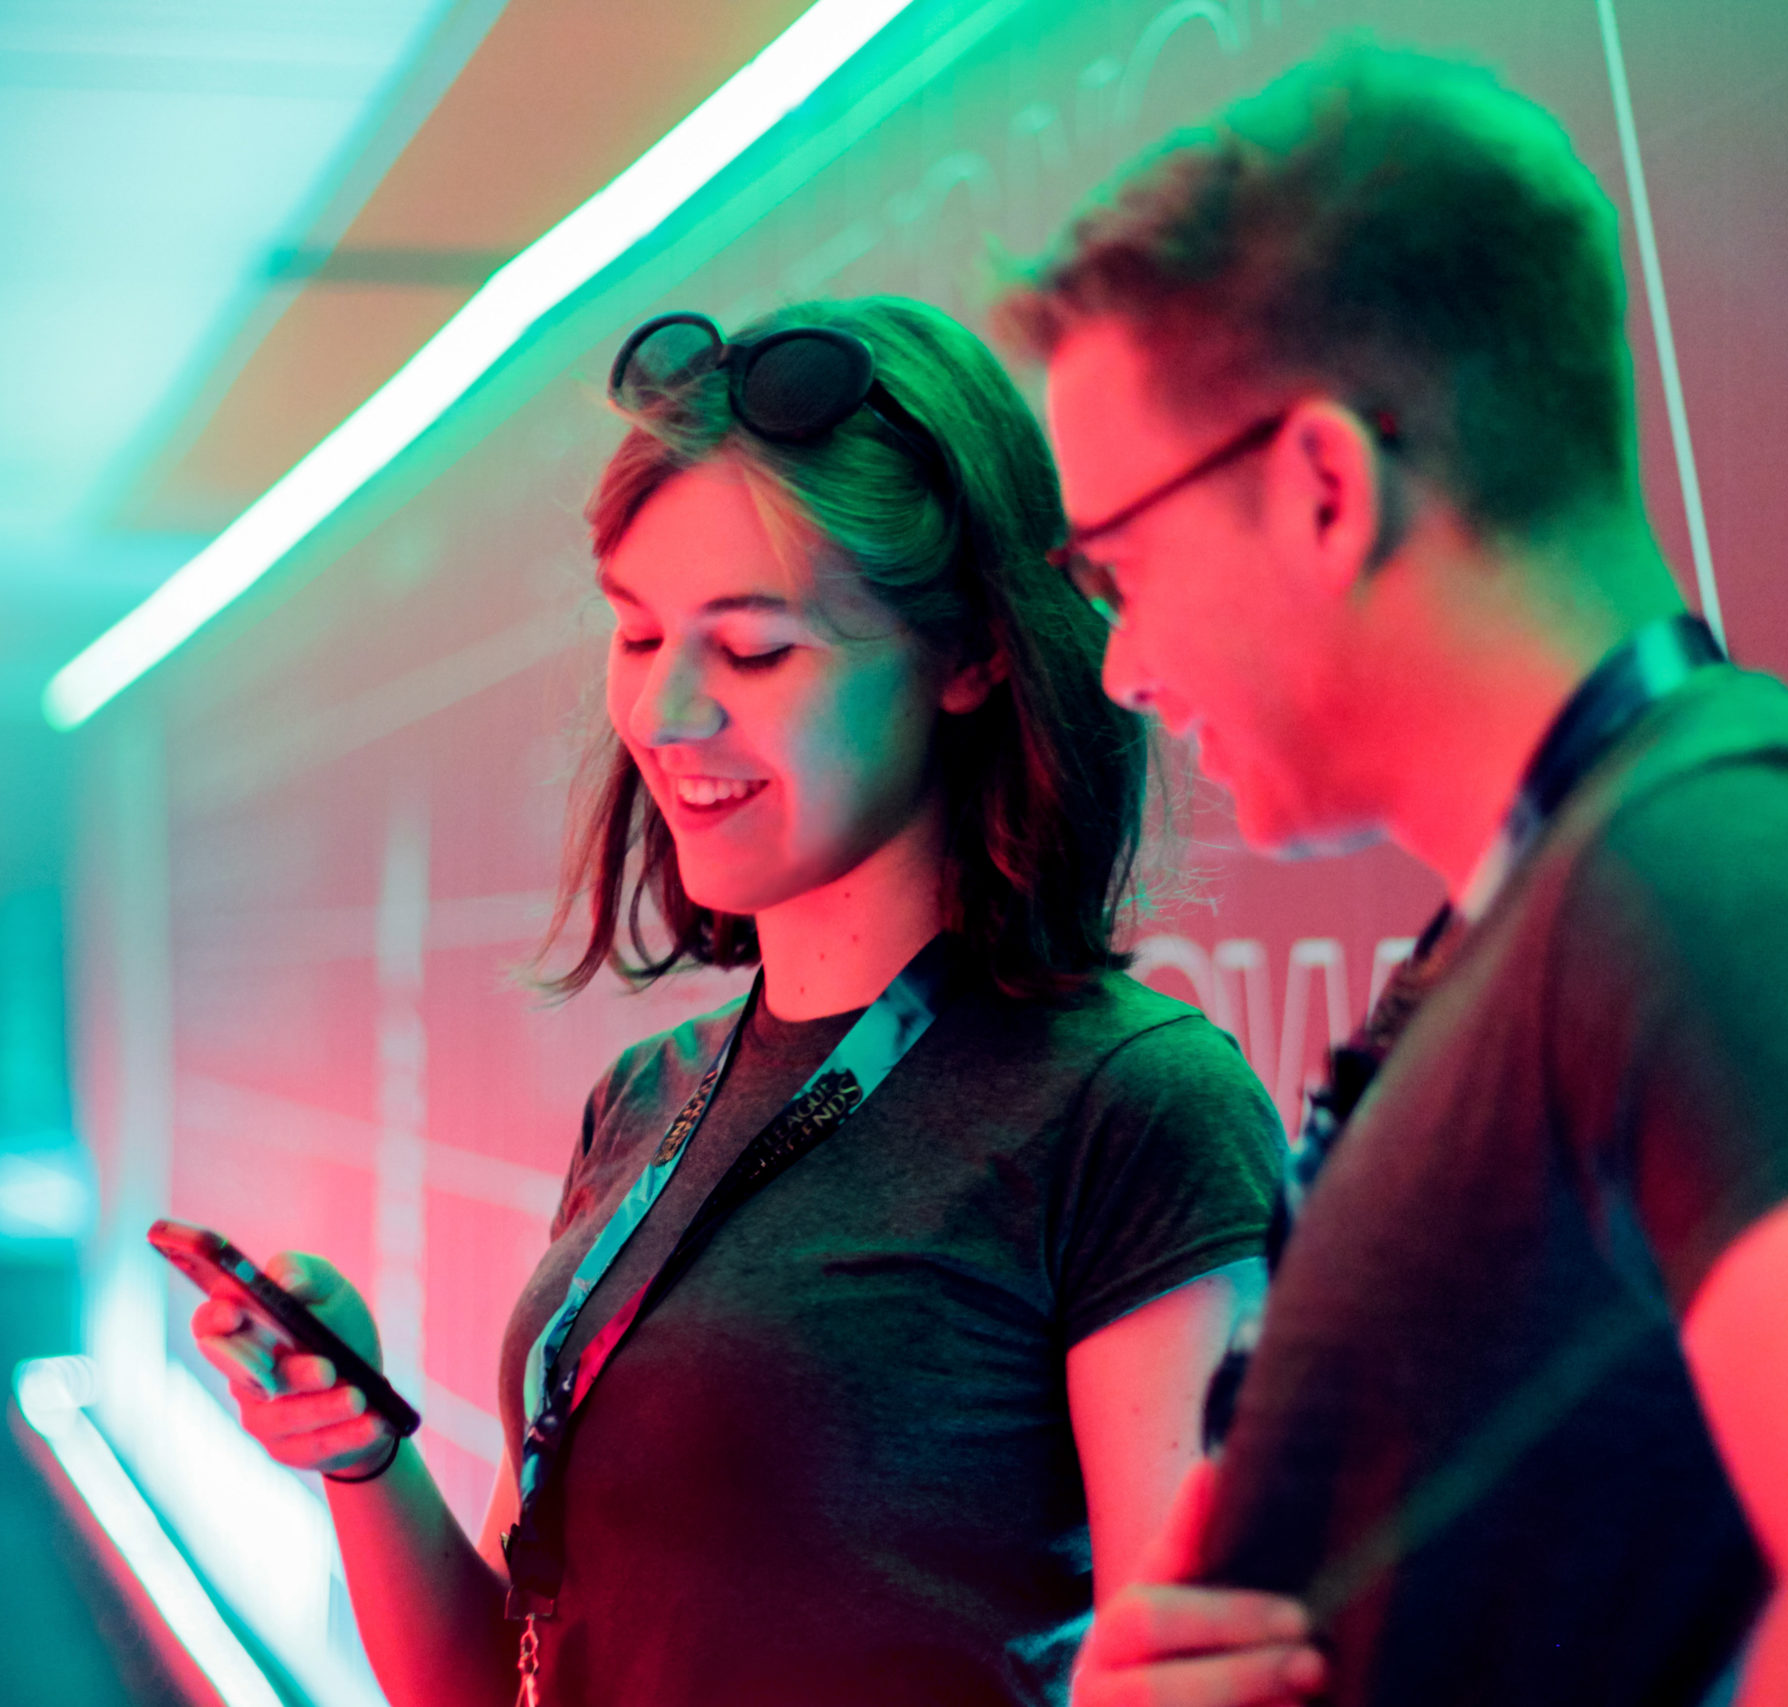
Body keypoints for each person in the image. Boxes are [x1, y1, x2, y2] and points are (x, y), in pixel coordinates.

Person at [1000, 44, 1788, 1707]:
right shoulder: (1562, 910)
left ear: (1324, 486)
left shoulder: (1721, 862)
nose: (1120, 667)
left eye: (1118, 565)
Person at [191, 296, 1284, 1707]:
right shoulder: (649, 1096)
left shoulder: (1133, 1104)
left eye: (754, 650)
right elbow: (486, 1682)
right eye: (640, 639)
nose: (667, 714)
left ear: (973, 656)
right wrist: (364, 1455)